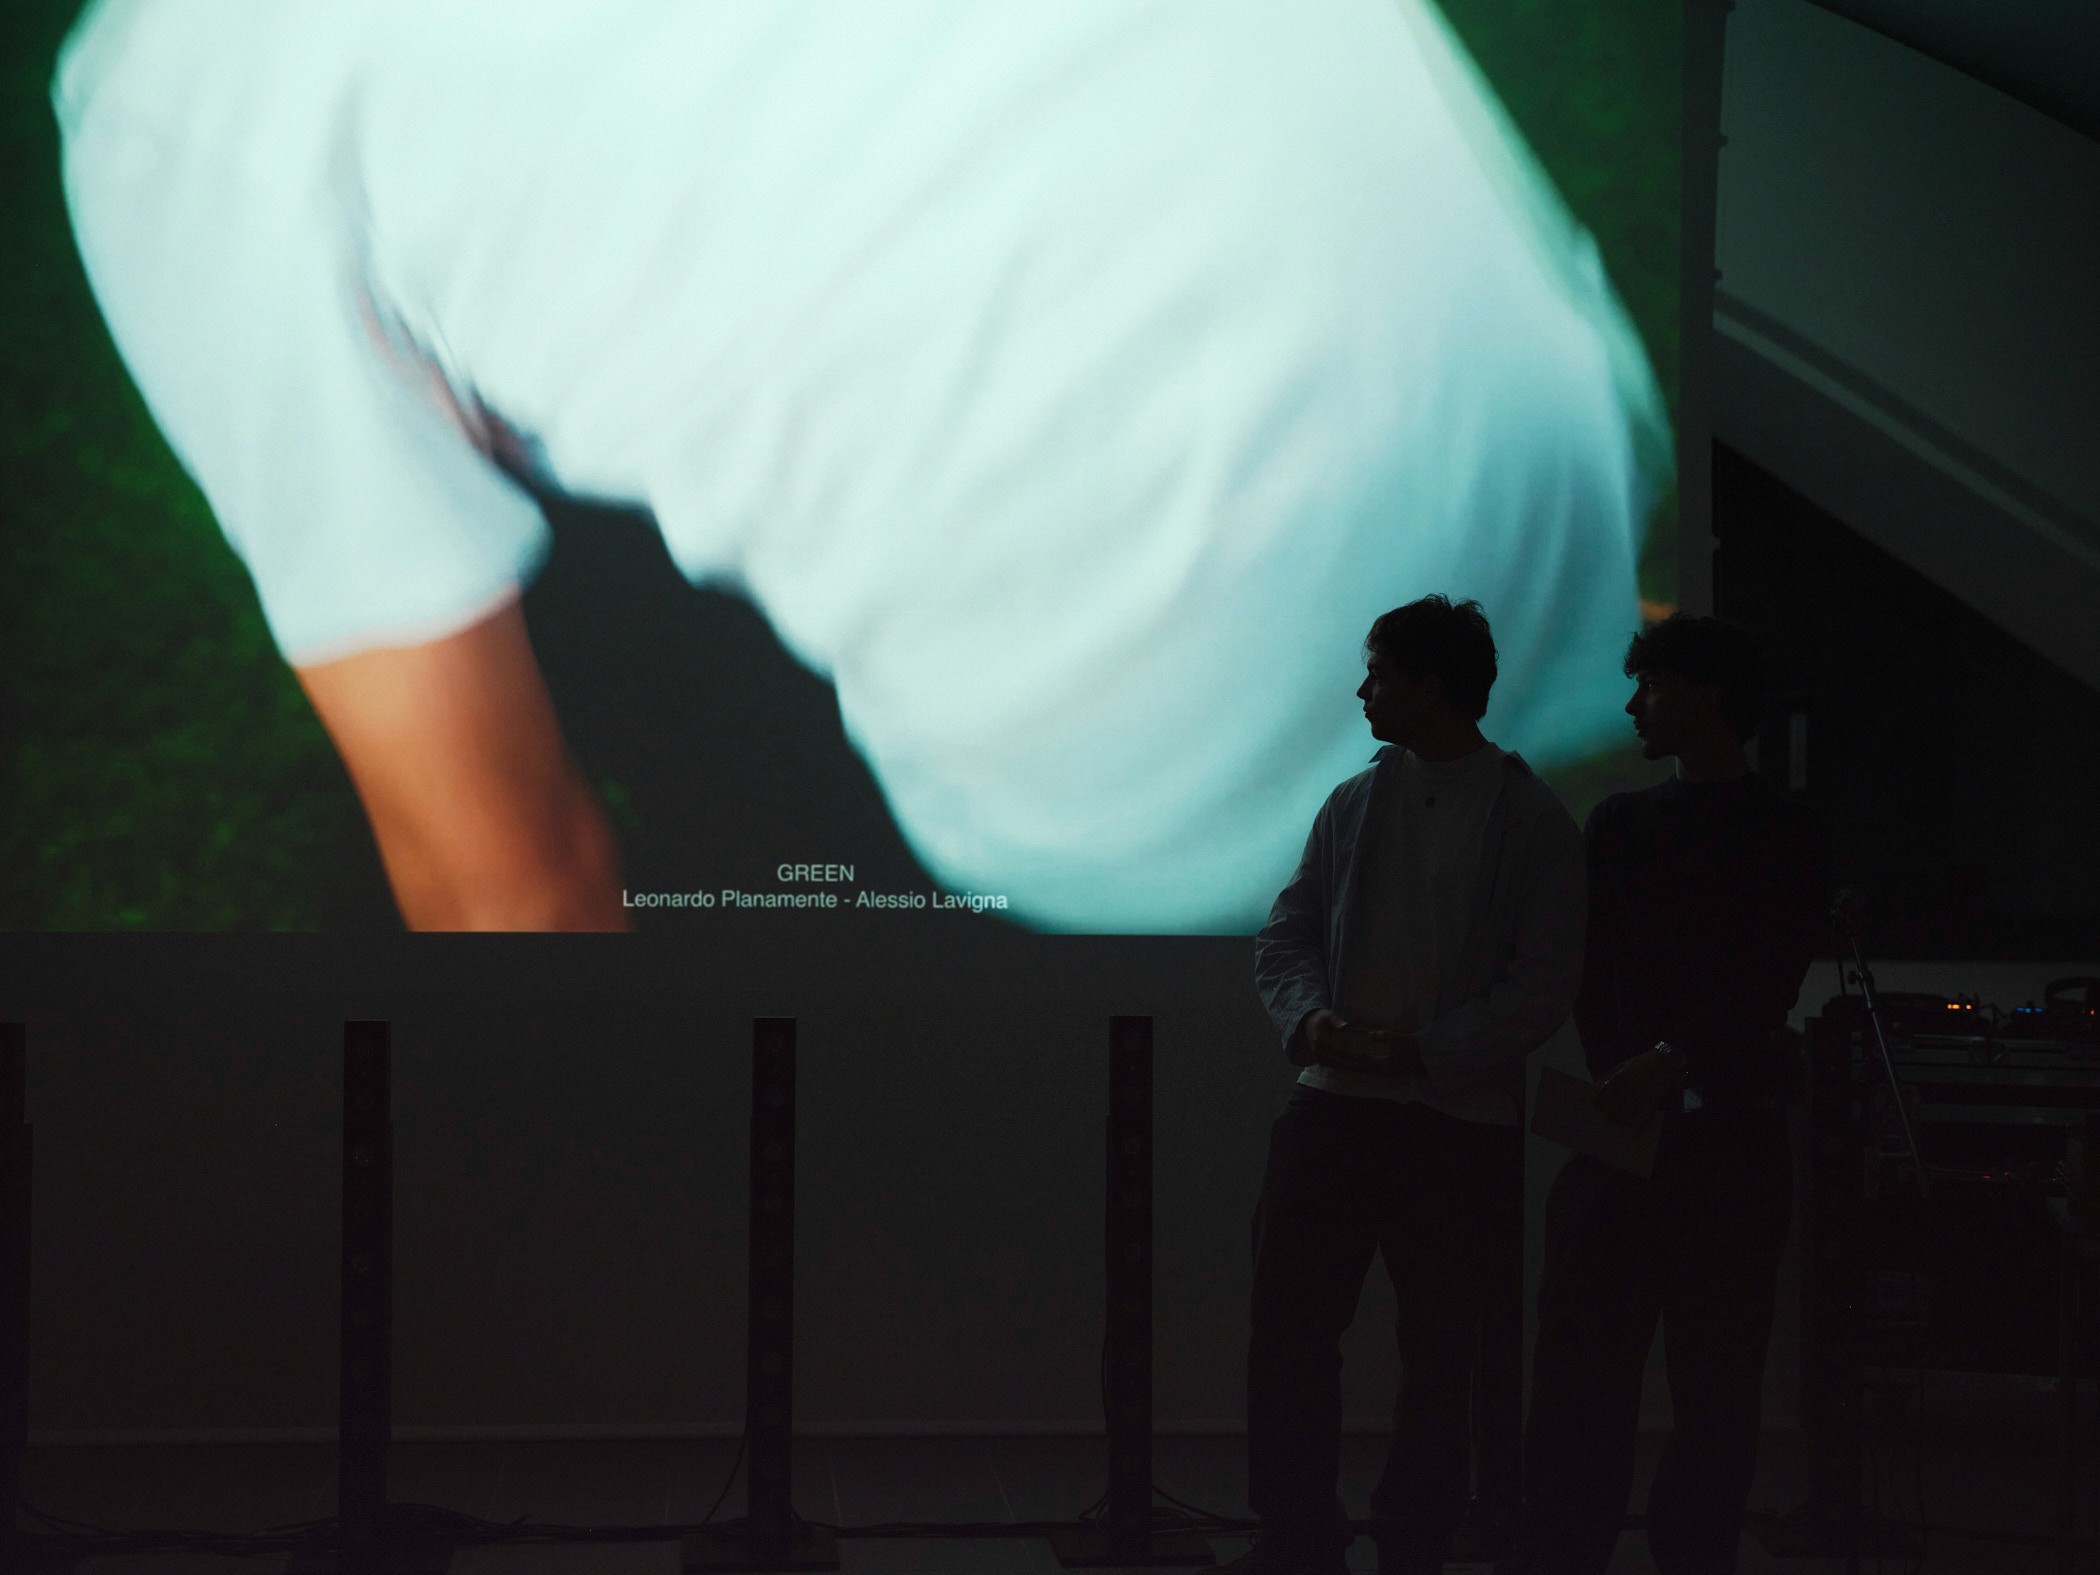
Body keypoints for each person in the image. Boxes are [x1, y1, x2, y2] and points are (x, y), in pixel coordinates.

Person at [54, 0, 1666, 932]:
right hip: (1564, 462)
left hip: (1175, 807)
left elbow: (514, 894)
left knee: (477, 549)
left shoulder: (189, 85)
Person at [1247, 596, 1585, 1575]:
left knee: (1442, 1353)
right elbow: (1289, 931)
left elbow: (1544, 983)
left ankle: (1410, 1541)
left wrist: (1422, 1054)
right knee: (1292, 1334)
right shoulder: (1354, 802)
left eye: (1379, 674)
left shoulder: (1530, 820)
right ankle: (1300, 1536)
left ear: (1431, 687)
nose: (1363, 691)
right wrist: (1313, 1022)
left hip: (1451, 1121)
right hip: (1340, 1105)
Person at [1505, 614, 1825, 1575]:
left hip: (1706, 1142)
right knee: (1586, 1376)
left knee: (1711, 1386)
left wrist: (1660, 1063)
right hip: (1636, 1132)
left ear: (1707, 695)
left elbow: (1768, 975)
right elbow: (1591, 967)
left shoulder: (1780, 831)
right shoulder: (1622, 824)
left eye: (1652, 686)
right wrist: (1642, 1070)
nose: (1634, 704)